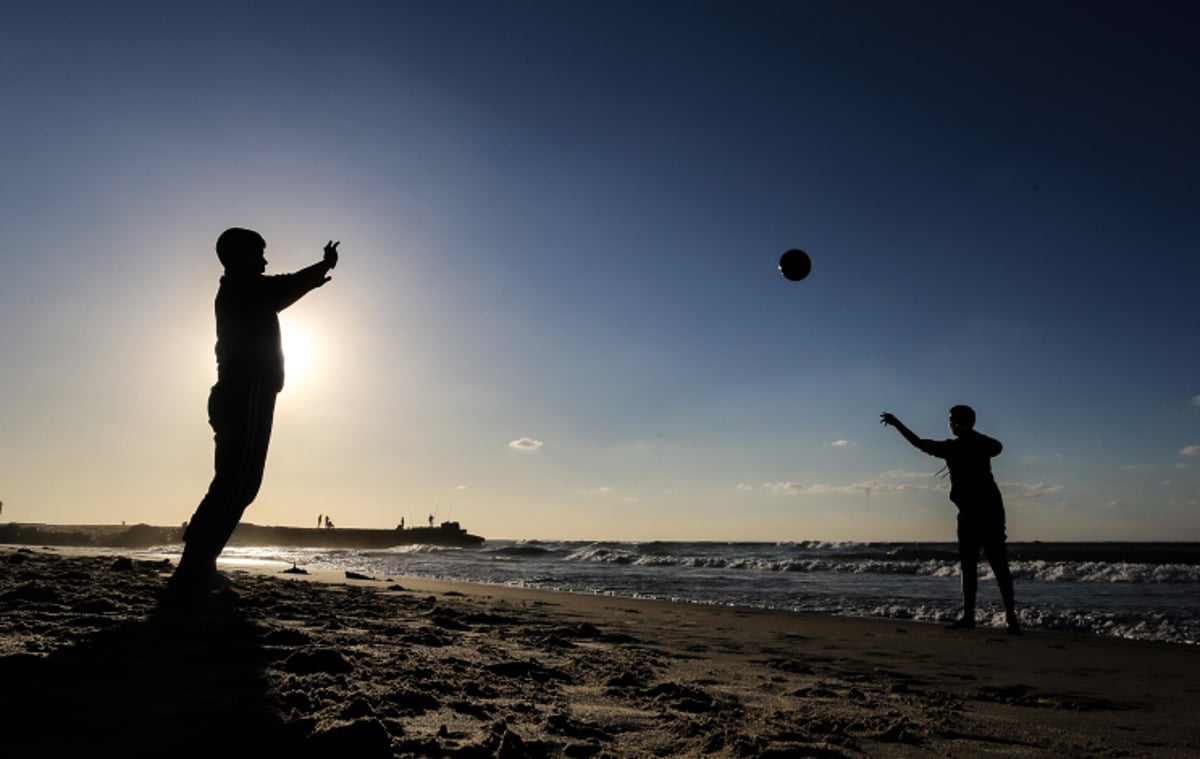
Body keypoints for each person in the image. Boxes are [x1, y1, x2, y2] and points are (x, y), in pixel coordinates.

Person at [170, 227, 339, 597]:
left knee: (234, 481)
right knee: (239, 481)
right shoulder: (243, 289)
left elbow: (283, 286)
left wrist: (316, 274)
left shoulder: (240, 289)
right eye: (259, 254)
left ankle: (198, 562)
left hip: (241, 393)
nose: (265, 261)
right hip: (246, 392)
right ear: (239, 257)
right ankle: (196, 564)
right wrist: (321, 267)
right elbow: (283, 287)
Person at [880, 406, 1021, 635]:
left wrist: (897, 424)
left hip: (982, 512)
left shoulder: (956, 447)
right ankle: (991, 618)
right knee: (983, 563)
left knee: (987, 563)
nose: (950, 424)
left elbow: (919, 443)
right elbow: (997, 447)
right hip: (981, 511)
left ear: (958, 423)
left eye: (952, 420)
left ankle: (999, 618)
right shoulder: (965, 446)